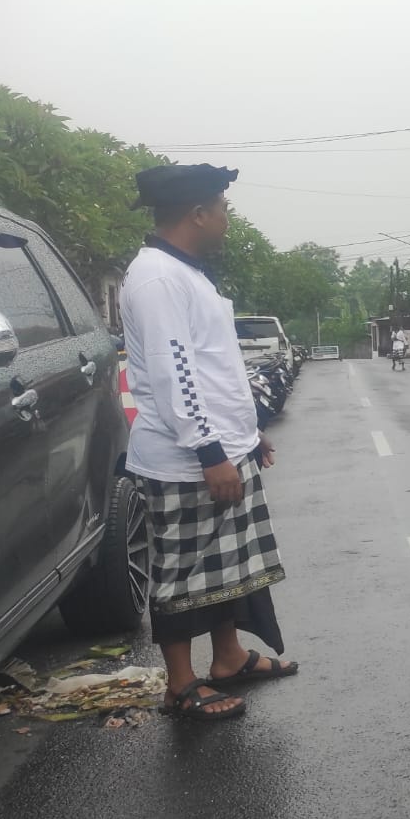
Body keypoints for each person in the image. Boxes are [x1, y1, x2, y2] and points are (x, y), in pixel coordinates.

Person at [120, 164, 300, 722]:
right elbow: (176, 376)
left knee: (225, 568)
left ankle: (228, 659)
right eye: (222, 207)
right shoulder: (157, 279)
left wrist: (247, 437)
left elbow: (214, 369)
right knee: (183, 571)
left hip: (222, 448)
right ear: (197, 213)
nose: (227, 218)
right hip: (185, 461)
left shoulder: (187, 273)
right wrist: (210, 451)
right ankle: (180, 683)